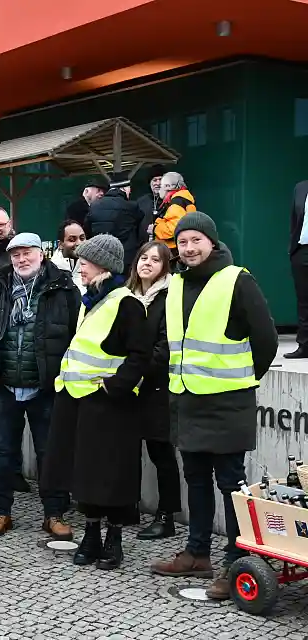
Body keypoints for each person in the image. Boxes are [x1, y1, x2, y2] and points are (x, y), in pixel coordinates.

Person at [150, 212, 278, 600]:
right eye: (182, 242)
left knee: (230, 484)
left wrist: (242, 378)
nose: (188, 249)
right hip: (187, 399)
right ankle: (197, 553)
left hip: (226, 401)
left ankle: (236, 560)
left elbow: (267, 339)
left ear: (211, 241)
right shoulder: (176, 285)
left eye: (195, 241)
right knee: (197, 480)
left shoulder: (237, 279)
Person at [44, 235, 149, 570]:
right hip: (77, 399)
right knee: (84, 471)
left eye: (85, 262)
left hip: (110, 404)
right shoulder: (90, 300)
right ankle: (90, 533)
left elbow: (140, 355)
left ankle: (113, 538)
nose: (80, 268)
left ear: (103, 264)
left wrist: (115, 387)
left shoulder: (127, 303)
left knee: (111, 473)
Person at [0, 232, 78, 539]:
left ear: (41, 253)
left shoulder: (63, 287)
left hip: (45, 385)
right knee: (2, 452)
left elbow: (74, 331)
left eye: (27, 253)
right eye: (16, 254)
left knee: (50, 451)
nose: (22, 259)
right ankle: (0, 511)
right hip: (4, 383)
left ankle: (54, 513)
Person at [125, 242, 182, 540]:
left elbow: (165, 346)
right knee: (126, 449)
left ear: (165, 266)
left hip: (157, 385)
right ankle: (126, 506)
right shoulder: (127, 296)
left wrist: (133, 372)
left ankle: (166, 515)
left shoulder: (170, 297)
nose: (147, 263)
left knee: (161, 452)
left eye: (155, 259)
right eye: (143, 257)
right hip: (128, 385)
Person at [86, 173, 144, 273]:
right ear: (124, 188)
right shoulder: (131, 206)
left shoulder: (94, 206)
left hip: (100, 258)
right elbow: (140, 228)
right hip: (125, 259)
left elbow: (87, 230)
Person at [287, 180, 308, 359]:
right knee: (303, 300)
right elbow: (294, 220)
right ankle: (304, 345)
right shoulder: (301, 187)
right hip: (302, 250)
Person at [153, 172, 196, 253]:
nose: (159, 190)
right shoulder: (185, 199)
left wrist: (155, 228)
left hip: (173, 250)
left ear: (168, 187)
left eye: (161, 186)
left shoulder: (176, 203)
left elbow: (172, 230)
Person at [50, 220, 87, 293]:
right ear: (60, 244)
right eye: (72, 240)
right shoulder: (50, 272)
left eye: (82, 238)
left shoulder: (94, 267)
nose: (79, 243)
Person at [136, 165, 166, 244]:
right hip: (144, 245)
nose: (158, 183)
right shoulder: (141, 202)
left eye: (160, 179)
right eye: (154, 180)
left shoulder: (171, 201)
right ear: (150, 183)